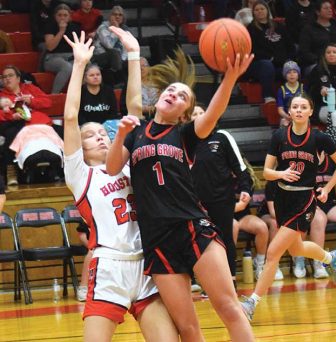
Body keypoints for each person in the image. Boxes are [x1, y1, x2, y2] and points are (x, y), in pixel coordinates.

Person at [106, 26, 255, 341]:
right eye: (170, 90)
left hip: (192, 226)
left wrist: (229, 79)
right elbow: (112, 166)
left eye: (182, 95)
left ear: (185, 112)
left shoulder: (186, 134)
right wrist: (120, 133)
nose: (173, 94)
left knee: (229, 308)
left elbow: (213, 114)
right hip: (157, 238)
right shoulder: (136, 131)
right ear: (160, 96)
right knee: (187, 328)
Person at [63, 31, 179, 342]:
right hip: (109, 268)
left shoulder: (128, 161)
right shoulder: (80, 174)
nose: (99, 136)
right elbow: (71, 116)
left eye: (102, 131)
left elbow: (134, 110)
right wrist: (79, 65)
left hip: (146, 263)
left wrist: (132, 54)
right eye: (90, 135)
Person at [241, 94, 336, 322]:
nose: (299, 110)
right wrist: (282, 173)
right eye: (295, 107)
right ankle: (331, 258)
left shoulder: (319, 138)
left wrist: (328, 187)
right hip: (282, 199)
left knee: (273, 253)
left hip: (304, 200)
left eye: (303, 107)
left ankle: (252, 302)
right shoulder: (279, 136)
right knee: (296, 249)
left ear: (310, 112)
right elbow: (267, 172)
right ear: (289, 112)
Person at [190, 105, 253, 288]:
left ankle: (230, 281)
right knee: (196, 241)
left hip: (221, 199)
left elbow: (240, 167)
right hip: (194, 203)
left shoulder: (222, 137)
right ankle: (198, 281)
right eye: (195, 114)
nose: (200, 116)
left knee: (225, 239)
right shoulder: (185, 142)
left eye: (203, 113)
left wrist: (245, 189)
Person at [292, 150, 336, 279]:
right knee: (319, 219)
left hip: (330, 204)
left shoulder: (334, 163)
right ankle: (319, 263)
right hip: (310, 204)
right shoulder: (303, 162)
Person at [0, 65, 53, 185]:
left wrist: (31, 101)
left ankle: (60, 169)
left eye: (10, 76)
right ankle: (11, 170)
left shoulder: (30, 88)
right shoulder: (1, 95)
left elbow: (48, 102)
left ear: (18, 78)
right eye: (4, 77)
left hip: (36, 122)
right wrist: (10, 115)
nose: (7, 79)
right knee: (12, 133)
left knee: (61, 132)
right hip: (12, 124)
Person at [245, 0, 295, 103]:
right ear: (253, 12)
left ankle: (293, 96)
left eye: (262, 9)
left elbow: (290, 46)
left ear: (267, 10)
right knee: (267, 65)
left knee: (291, 67)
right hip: (260, 65)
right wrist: (271, 58)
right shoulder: (251, 28)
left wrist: (287, 60)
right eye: (256, 10)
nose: (260, 11)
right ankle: (267, 96)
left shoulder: (279, 26)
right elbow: (252, 51)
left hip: (280, 63)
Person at [298, 0, 336, 75]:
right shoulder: (308, 29)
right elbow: (304, 51)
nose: (329, 10)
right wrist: (322, 60)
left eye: (330, 8)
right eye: (326, 8)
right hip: (318, 63)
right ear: (318, 12)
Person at [309, 43, 336, 127]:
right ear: (324, 55)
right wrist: (320, 90)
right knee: (334, 115)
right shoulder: (317, 70)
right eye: (328, 52)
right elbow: (311, 93)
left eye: (334, 52)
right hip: (325, 107)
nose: (331, 54)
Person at [44, 3, 81, 93]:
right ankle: (54, 94)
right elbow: (50, 47)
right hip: (53, 58)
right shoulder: (50, 26)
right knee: (67, 67)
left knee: (88, 66)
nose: (62, 17)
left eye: (65, 15)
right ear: (55, 16)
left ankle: (82, 95)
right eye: (59, 15)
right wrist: (61, 31)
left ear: (69, 17)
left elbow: (79, 46)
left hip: (71, 57)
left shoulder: (75, 27)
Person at [92, 6, 130, 86]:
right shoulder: (103, 27)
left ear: (123, 17)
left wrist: (123, 60)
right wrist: (115, 29)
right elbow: (109, 45)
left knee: (132, 60)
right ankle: (119, 81)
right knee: (115, 53)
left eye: (120, 15)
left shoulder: (125, 29)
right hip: (100, 56)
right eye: (115, 14)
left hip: (117, 59)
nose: (117, 16)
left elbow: (127, 47)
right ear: (110, 16)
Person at [277, 60, 306, 127]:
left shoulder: (302, 88)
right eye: (289, 72)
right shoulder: (282, 90)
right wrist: (287, 117)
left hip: (301, 115)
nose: (292, 74)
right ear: (285, 75)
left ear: (298, 74)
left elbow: (306, 105)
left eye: (294, 72)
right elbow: (280, 110)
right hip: (287, 116)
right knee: (284, 123)